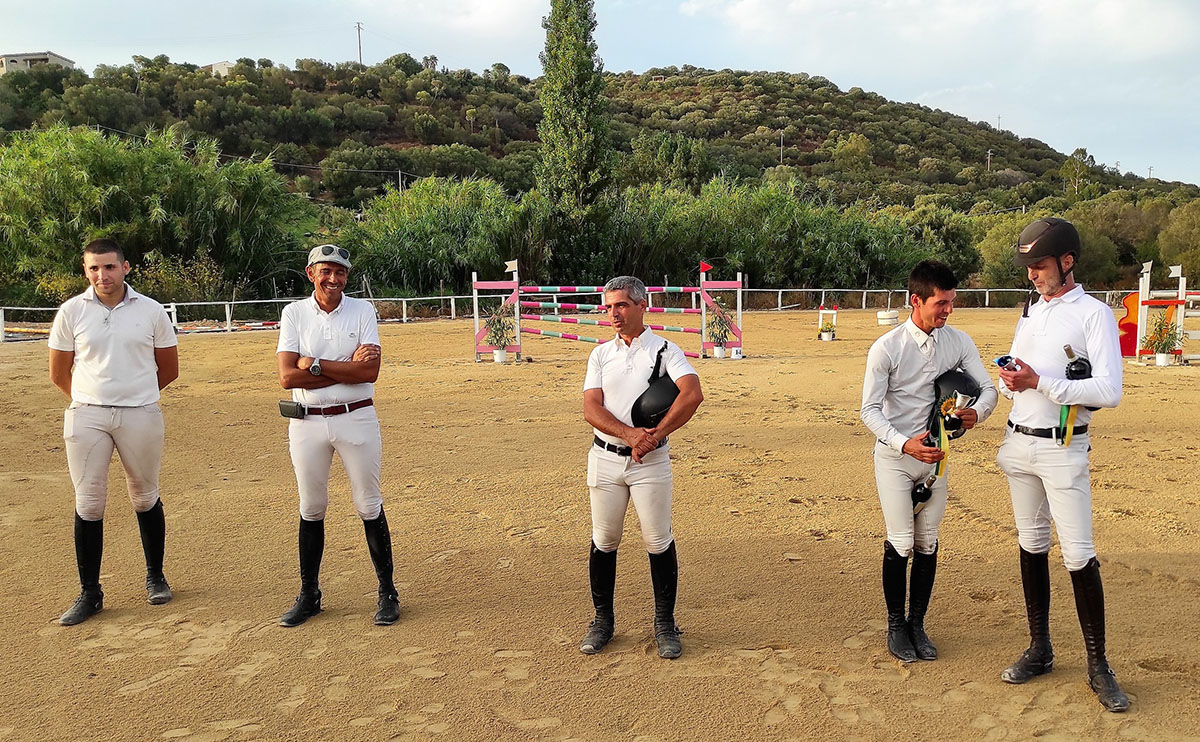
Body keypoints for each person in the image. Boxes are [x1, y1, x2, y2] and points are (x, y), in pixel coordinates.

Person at [996, 218, 1130, 712]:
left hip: (1064, 445)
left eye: (1040, 266)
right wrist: (1013, 379)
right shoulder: (1030, 310)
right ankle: (1040, 648)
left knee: (1078, 554)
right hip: (1020, 443)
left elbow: (1109, 391)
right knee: (1031, 546)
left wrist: (1041, 383)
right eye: (1029, 267)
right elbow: (1029, 371)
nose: (1032, 275)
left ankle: (1099, 666)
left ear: (1067, 261)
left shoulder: (1094, 314)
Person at [861, 260, 997, 662]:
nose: (948, 311)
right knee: (901, 541)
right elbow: (869, 411)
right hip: (896, 458)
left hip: (939, 459)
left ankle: (918, 624)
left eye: (952, 302)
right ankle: (895, 625)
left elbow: (988, 389)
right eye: (941, 303)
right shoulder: (886, 348)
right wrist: (906, 445)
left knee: (928, 541)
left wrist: (978, 414)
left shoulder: (958, 342)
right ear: (916, 300)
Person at [48, 238, 180, 626]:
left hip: (139, 413)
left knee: (144, 494)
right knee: (89, 502)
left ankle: (155, 575)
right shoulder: (72, 311)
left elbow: (168, 369)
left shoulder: (152, 311)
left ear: (125, 267)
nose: (101, 275)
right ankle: (90, 592)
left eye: (109, 267)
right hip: (88, 415)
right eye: (93, 268)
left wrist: (134, 396)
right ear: (85, 270)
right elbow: (59, 372)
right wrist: (92, 400)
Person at [579, 276, 704, 659]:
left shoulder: (666, 350)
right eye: (608, 307)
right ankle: (603, 620)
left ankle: (665, 623)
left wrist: (656, 435)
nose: (613, 314)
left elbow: (693, 393)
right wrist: (633, 435)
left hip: (651, 461)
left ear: (639, 305)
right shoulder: (600, 354)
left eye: (621, 306)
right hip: (606, 457)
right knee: (604, 539)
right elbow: (591, 408)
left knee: (657, 539)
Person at [275, 244, 399, 628]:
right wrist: (343, 367)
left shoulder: (362, 310)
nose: (333, 279)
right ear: (310, 273)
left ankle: (387, 592)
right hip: (307, 422)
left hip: (356, 418)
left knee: (368, 504)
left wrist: (313, 365)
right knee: (311, 507)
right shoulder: (294, 313)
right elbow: (287, 377)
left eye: (340, 272)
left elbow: (370, 373)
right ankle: (309, 594)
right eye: (325, 271)